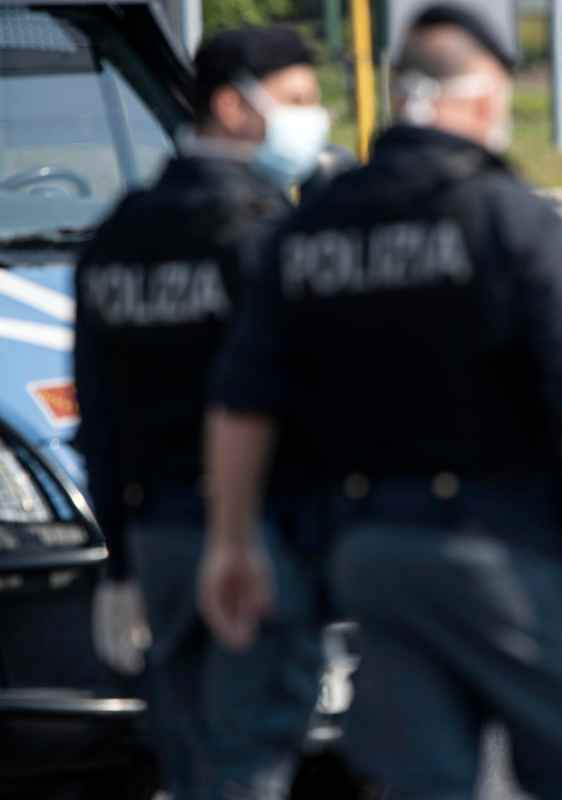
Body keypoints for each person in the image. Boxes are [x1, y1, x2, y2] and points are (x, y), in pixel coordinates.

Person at [198, 5, 562, 798]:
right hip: (500, 547)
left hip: (370, 552)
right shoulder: (503, 216)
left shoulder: (309, 230)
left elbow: (242, 408)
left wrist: (231, 542)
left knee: (420, 779)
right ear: (476, 99)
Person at [77, 26, 330, 799]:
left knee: (187, 754)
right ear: (230, 106)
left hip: (157, 536)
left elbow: (101, 407)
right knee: (254, 750)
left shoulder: (118, 234)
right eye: (295, 103)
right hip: (254, 537)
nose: (310, 123)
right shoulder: (263, 233)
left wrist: (119, 560)